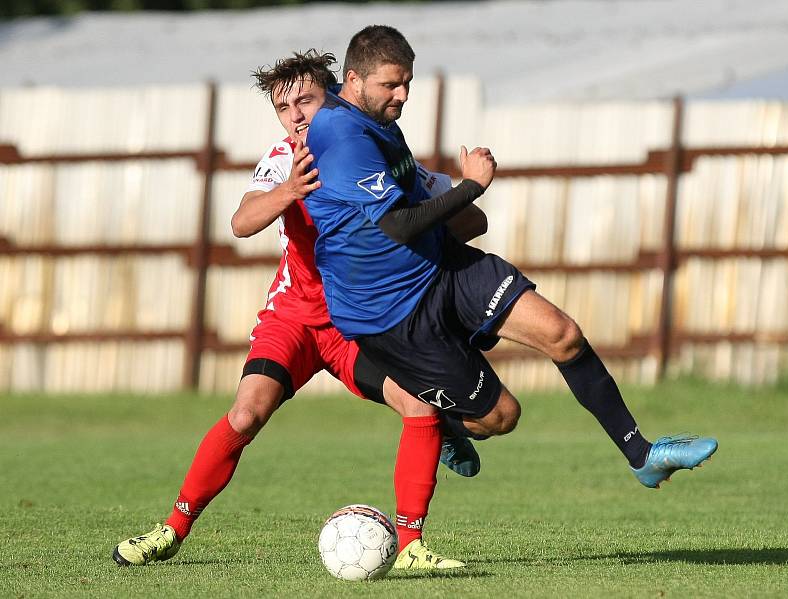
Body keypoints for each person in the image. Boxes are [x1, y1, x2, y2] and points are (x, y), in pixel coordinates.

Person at [302, 25, 719, 564]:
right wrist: (470, 187)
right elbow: (398, 227)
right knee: (500, 417)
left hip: (438, 266)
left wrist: (447, 197)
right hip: (388, 312)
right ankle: (445, 419)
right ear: (353, 79)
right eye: (391, 85)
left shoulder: (377, 119)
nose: (402, 96)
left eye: (407, 83)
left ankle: (642, 453)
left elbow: (406, 198)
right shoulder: (339, 134)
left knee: (563, 335)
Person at [112, 50, 486, 570]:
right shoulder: (284, 157)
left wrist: (442, 212)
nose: (295, 115)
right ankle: (170, 531)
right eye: (283, 106)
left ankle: (410, 548)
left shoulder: (370, 150)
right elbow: (242, 223)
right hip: (293, 317)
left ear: (333, 96)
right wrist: (288, 189)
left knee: (418, 405)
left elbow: (472, 222)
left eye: (305, 100)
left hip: (356, 319)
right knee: (245, 413)